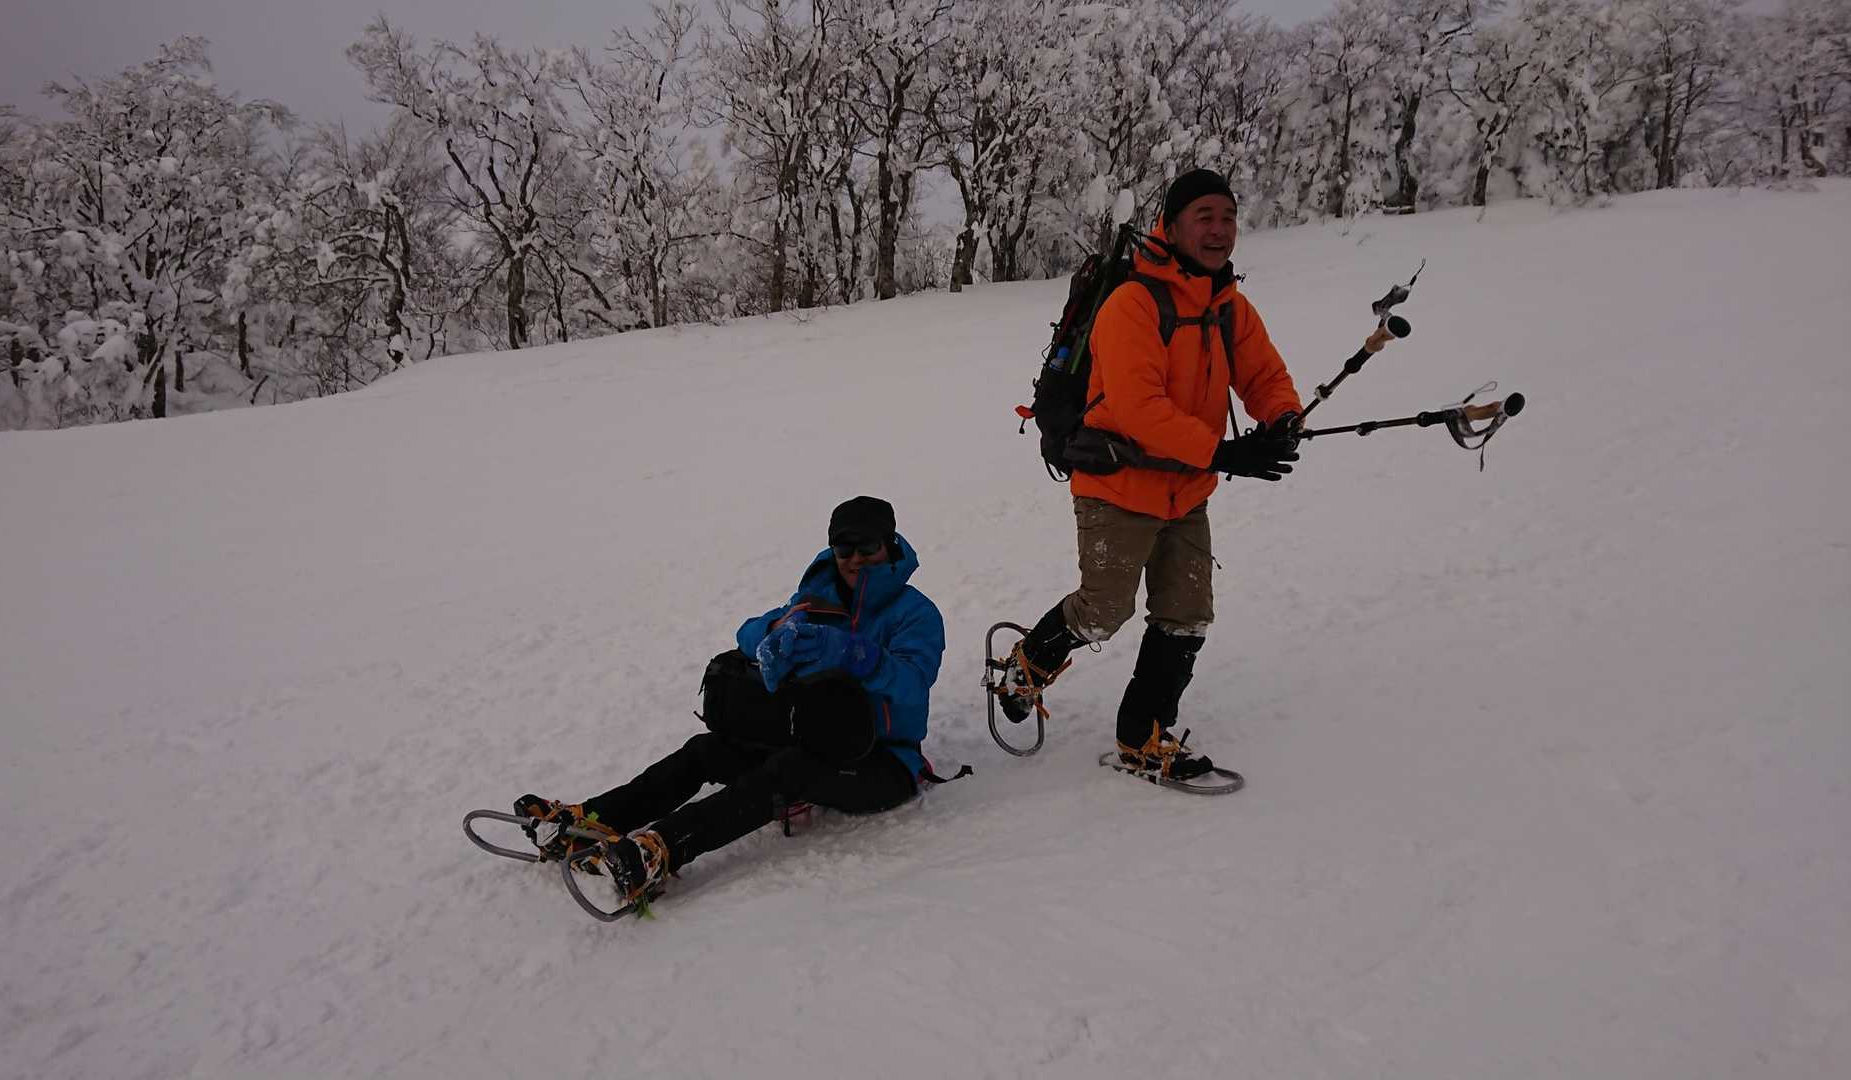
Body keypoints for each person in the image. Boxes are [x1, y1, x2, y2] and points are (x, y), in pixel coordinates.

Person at [994, 169, 1303, 780]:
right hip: (1117, 484)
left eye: (1227, 217)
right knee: (1103, 610)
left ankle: (1143, 734)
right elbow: (1139, 409)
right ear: (1173, 224)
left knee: (1187, 614)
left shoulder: (1229, 308)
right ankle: (1027, 664)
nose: (1218, 230)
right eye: (1204, 217)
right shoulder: (1132, 304)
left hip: (1185, 491)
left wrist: (1283, 416)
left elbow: (1264, 375)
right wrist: (1222, 453)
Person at [518, 495, 945, 907]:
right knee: (706, 751)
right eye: (843, 548)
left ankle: (660, 851)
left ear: (888, 544)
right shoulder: (820, 596)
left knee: (788, 771)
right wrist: (776, 630)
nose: (854, 559)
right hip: (813, 735)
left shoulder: (915, 613)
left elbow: (913, 682)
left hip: (884, 762)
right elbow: (747, 633)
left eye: (866, 546)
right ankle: (593, 820)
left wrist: (855, 654)